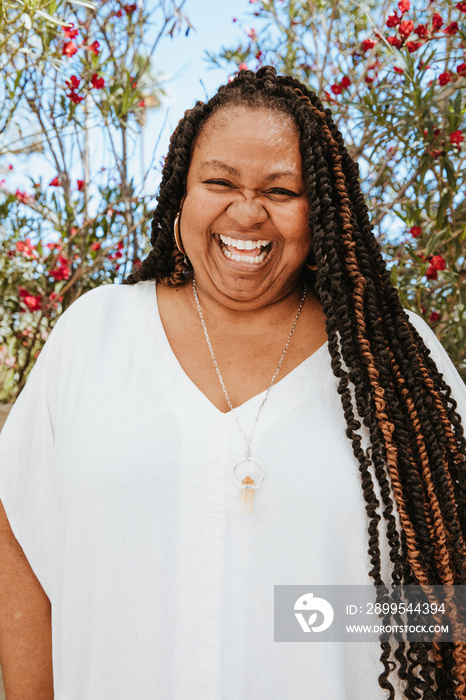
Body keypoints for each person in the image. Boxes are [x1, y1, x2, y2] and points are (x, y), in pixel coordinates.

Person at [0, 65, 465, 699]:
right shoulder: (96, 334)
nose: (246, 212)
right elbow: (21, 538)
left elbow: (445, 600)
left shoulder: (395, 359)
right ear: (181, 195)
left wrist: (313, 622)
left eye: (280, 191)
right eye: (219, 181)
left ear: (322, 208)